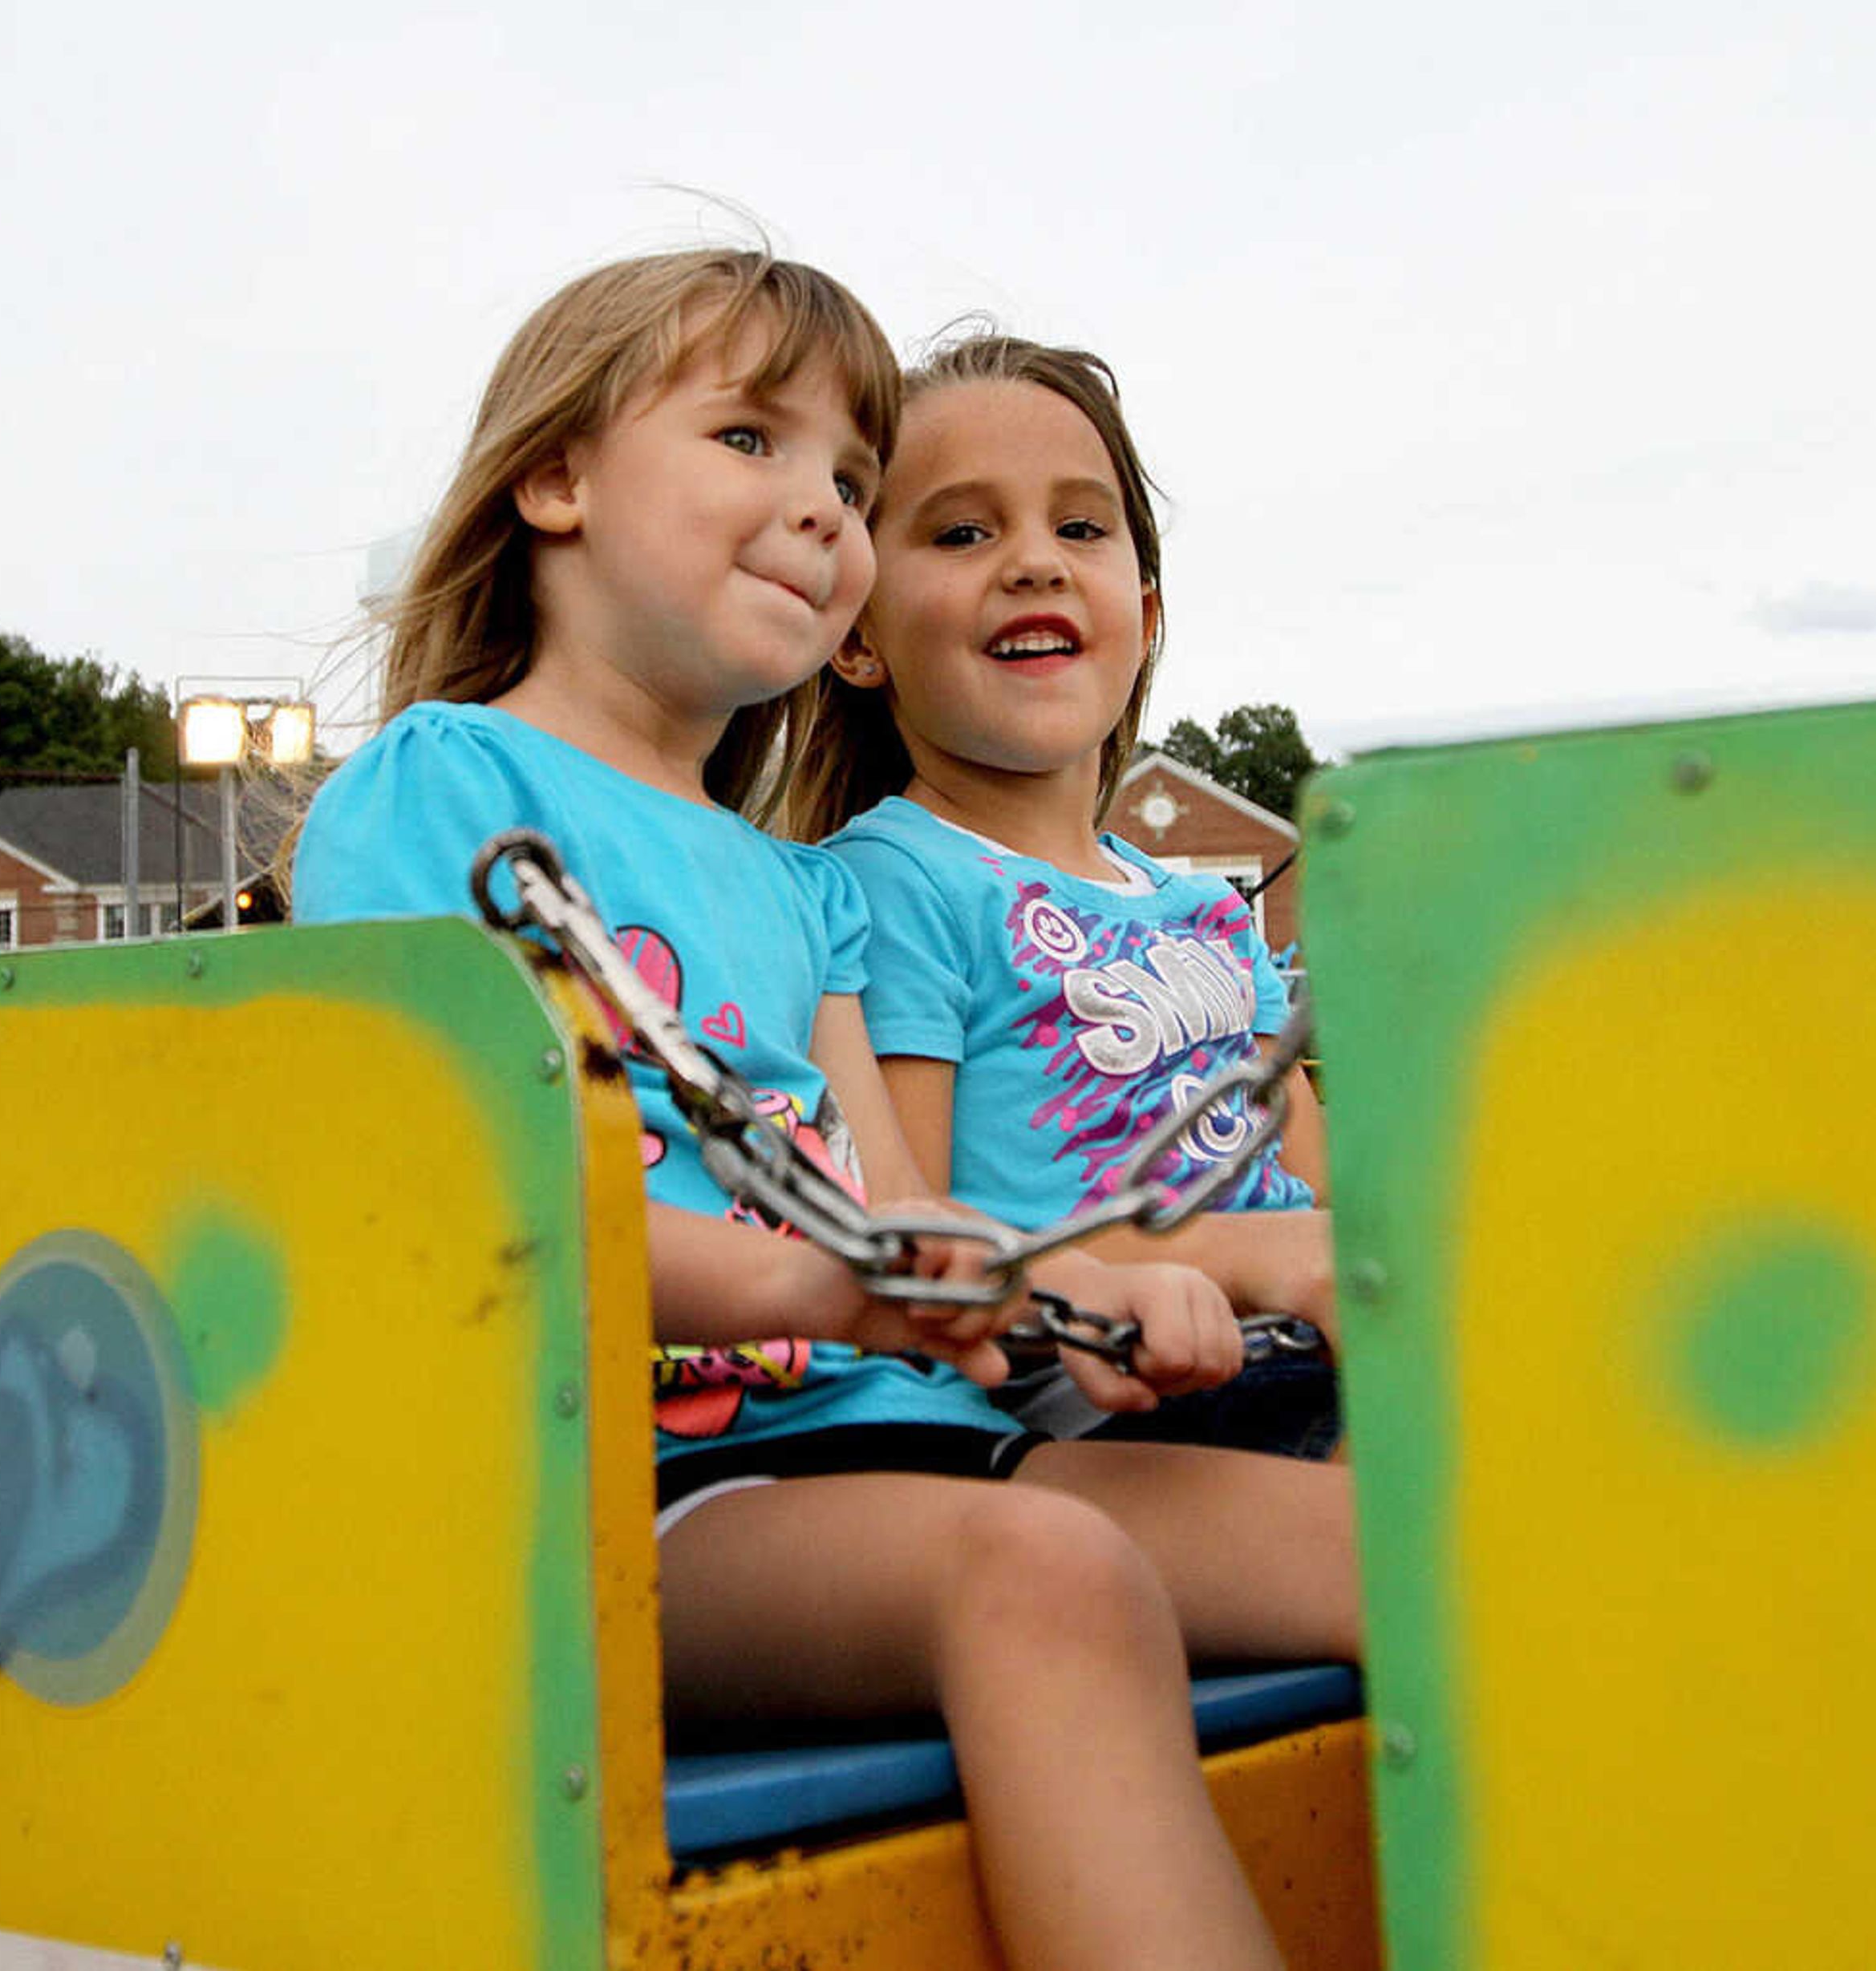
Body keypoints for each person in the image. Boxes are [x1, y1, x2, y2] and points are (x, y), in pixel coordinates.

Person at [295, 250, 1350, 1971]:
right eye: (751, 439)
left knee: (1402, 1540)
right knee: (1043, 1583)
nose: (821, 506)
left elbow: (903, 1217)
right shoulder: (445, 786)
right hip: (632, 1493)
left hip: (900, 1446)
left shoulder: (801, 895)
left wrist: (1090, 1298)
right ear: (554, 479)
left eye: (852, 481)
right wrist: (802, 1287)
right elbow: (437, 1214)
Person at [788, 336, 1342, 1457]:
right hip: (1095, 1388)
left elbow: (1324, 1216)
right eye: (962, 531)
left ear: (1143, 611)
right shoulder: (889, 884)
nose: (1034, 561)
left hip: (1310, 1350)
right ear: (856, 635)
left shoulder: (1205, 913)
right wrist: (1247, 1264)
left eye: (1079, 526)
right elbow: (921, 1253)